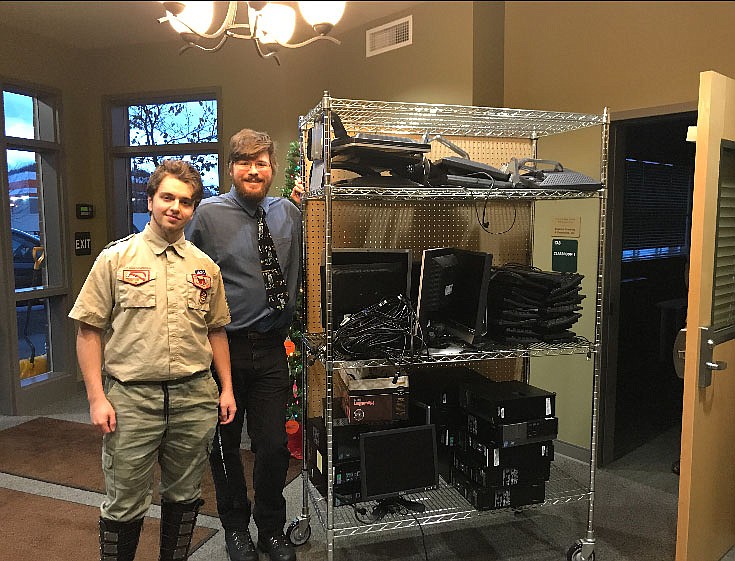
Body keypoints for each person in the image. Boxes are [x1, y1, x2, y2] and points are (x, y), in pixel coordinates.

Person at [69, 159, 236, 561]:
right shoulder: (115, 260)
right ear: (150, 200)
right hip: (131, 402)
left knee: (184, 496)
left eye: (185, 201)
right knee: (125, 502)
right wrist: (96, 397)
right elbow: (88, 330)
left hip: (194, 398)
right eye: (167, 197)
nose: (175, 207)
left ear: (193, 209)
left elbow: (216, 330)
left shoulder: (205, 267)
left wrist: (227, 387)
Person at [185, 129, 302, 561]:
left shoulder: (289, 213)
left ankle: (271, 528)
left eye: (262, 162)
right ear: (230, 167)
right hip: (224, 351)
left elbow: (295, 272)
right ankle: (235, 529)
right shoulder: (207, 215)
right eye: (245, 162)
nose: (254, 170)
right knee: (225, 446)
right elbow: (187, 276)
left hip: (272, 349)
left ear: (272, 168)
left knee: (272, 446)